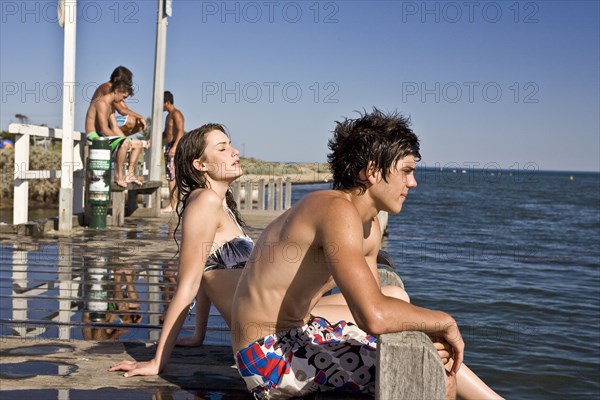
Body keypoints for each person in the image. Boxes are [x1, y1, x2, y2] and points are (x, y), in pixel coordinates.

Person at [231, 109, 504, 399]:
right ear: (372, 171)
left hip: (302, 329)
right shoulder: (335, 210)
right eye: (407, 171)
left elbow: (377, 304)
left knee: (428, 349)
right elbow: (373, 316)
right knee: (430, 368)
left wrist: (428, 327)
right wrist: (444, 321)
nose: (412, 183)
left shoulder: (369, 225)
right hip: (266, 354)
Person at [108, 123, 252, 376]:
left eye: (230, 145)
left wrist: (198, 335)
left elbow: (210, 271)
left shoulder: (221, 205)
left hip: (273, 322)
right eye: (223, 147)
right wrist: (157, 362)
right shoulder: (205, 201)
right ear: (201, 165)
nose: (234, 151)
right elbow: (188, 284)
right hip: (267, 337)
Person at [85, 80, 147, 188]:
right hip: (94, 137)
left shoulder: (110, 105)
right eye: (123, 97)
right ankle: (119, 176)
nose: (123, 101)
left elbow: (114, 127)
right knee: (124, 143)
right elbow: (104, 129)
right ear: (117, 91)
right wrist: (124, 142)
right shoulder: (101, 103)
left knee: (137, 144)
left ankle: (130, 175)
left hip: (102, 137)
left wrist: (126, 141)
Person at [91, 66, 147, 135]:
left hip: (107, 123)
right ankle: (112, 138)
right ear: (116, 79)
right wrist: (140, 116)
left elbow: (125, 109)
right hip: (97, 126)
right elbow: (121, 110)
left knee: (138, 123)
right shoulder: (107, 88)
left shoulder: (117, 91)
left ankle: (118, 141)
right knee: (131, 120)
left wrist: (139, 118)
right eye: (125, 83)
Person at [161, 91, 185, 213]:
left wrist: (175, 147)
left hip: (174, 146)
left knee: (172, 177)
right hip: (169, 145)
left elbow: (181, 131)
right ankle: (173, 203)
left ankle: (173, 204)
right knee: (170, 177)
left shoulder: (176, 114)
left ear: (167, 102)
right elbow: (166, 133)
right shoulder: (168, 115)